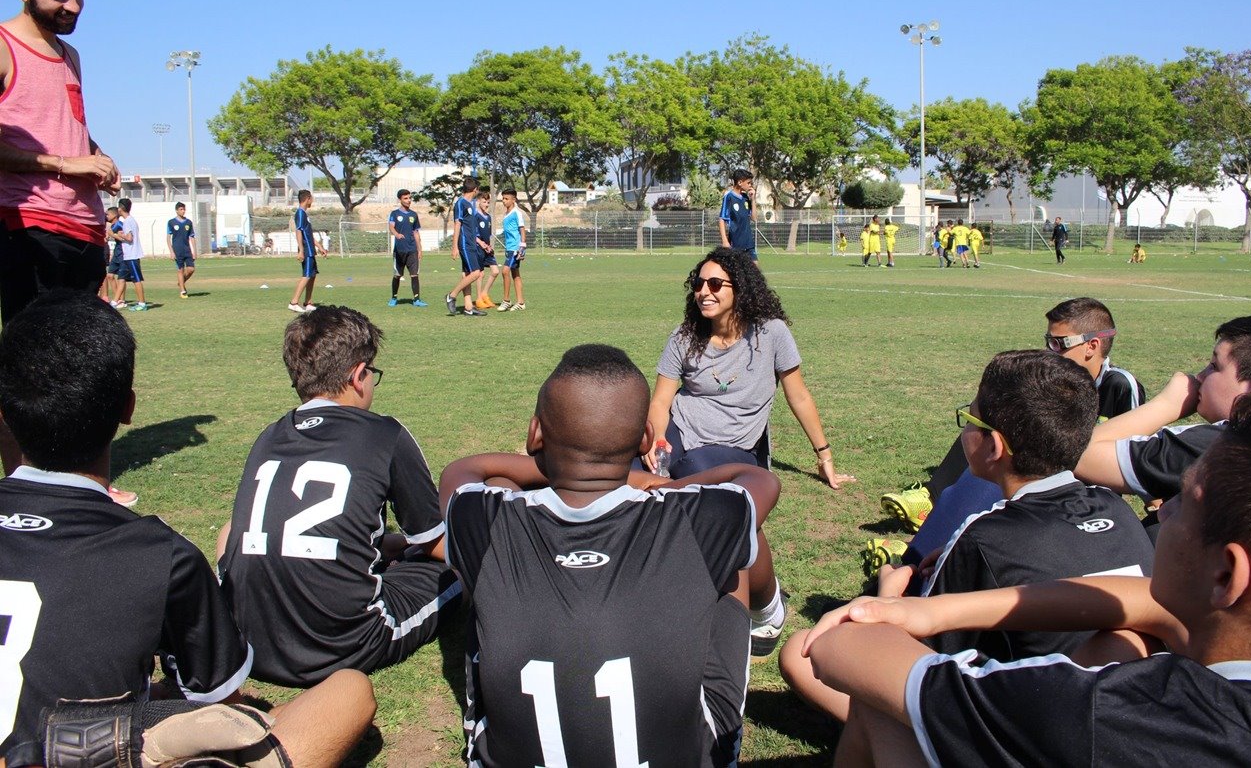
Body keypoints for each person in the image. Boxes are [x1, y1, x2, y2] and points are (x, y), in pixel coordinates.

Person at [803, 390, 1251, 767]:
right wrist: (928, 610)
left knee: (877, 707)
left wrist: (887, 605)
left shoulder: (1112, 715)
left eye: (1182, 501)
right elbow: (1135, 600)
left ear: (1226, 574)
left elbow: (843, 650)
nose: (1161, 507)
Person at [0, 291, 374, 768]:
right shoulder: (160, 554)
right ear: (128, 408)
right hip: (81, 754)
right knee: (349, 690)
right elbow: (219, 699)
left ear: (5, 411)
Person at [439, 344, 783, 765]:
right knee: (733, 549)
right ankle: (768, 618)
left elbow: (462, 471)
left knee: (490, 537)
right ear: (643, 440)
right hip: (688, 755)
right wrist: (657, 486)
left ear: (535, 435)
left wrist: (559, 461)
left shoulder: (483, 518)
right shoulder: (693, 519)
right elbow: (758, 479)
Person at [782, 350, 1153, 725]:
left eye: (969, 418)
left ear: (993, 447)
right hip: (1121, 704)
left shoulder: (984, 537)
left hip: (1033, 722)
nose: (964, 430)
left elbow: (915, 649)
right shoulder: (1115, 507)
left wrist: (888, 592)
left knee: (799, 652)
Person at [217, 305, 461, 688]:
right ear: (359, 376)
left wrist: (388, 545)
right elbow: (434, 542)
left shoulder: (270, 434)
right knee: (456, 571)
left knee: (233, 528)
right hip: (343, 646)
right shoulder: (385, 434)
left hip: (249, 640)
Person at [889, 297, 1146, 565]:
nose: (1050, 351)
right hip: (1041, 473)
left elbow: (1134, 448)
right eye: (1048, 341)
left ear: (1092, 345)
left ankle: (926, 550)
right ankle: (930, 514)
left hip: (1073, 487)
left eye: (1059, 344)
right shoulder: (1051, 381)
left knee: (992, 460)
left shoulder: (1120, 384)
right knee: (982, 430)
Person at [641, 246, 854, 490]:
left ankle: (665, 488)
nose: (704, 292)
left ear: (739, 289)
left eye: (715, 284)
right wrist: (657, 437)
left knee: (692, 467)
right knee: (637, 463)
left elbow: (799, 397)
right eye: (699, 284)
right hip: (680, 427)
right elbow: (660, 402)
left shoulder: (771, 333)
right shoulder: (684, 336)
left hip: (734, 445)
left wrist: (824, 455)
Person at [0, 0, 120, 324]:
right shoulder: (3, 46)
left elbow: (68, 125)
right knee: (36, 367)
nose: (74, 6)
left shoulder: (71, 55)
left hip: (85, 229)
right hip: (30, 228)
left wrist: (97, 157)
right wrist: (68, 164)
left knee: (79, 365)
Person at [1075, 315, 1251, 506]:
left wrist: (1166, 405)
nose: (1200, 376)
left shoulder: (1216, 445)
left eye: (1214, 366)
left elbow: (1077, 453)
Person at [445, 175, 486, 316]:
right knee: (476, 273)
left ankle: (468, 307)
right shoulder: (460, 203)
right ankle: (452, 295)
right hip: (464, 243)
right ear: (475, 189)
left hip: (471, 242)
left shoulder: (470, 204)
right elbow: (457, 224)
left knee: (468, 273)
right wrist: (454, 246)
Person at [387, 188, 427, 308]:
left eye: (409, 198)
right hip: (399, 250)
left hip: (412, 250)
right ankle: (394, 298)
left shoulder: (413, 215)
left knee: (414, 275)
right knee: (397, 275)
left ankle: (417, 299)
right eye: (405, 198)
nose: (409, 200)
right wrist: (397, 234)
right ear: (400, 200)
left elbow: (416, 232)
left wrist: (419, 249)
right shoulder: (395, 214)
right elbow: (391, 227)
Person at [288, 188, 325, 313]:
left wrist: (319, 247)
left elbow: (308, 233)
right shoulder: (300, 213)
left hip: (311, 249)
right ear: (307, 199)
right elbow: (298, 231)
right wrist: (301, 250)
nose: (312, 201)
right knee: (307, 275)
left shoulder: (304, 214)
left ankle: (308, 302)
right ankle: (294, 302)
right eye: (312, 198)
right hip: (306, 249)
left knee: (312, 275)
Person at [112, 196, 146, 312]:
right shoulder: (130, 221)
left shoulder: (128, 222)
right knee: (121, 278)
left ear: (121, 208)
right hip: (127, 256)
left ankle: (142, 303)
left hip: (132, 255)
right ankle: (114, 302)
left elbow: (130, 238)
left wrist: (121, 235)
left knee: (136, 280)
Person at [496, 187, 526, 311]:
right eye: (503, 198)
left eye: (506, 198)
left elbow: (522, 229)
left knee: (505, 271)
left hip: (515, 247)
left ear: (513, 199)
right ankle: (521, 302)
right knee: (515, 274)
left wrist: (522, 246)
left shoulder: (517, 213)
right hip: (509, 247)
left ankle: (506, 300)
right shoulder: (506, 213)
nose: (504, 201)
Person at [718, 167, 757, 260]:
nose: (750, 185)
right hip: (736, 244)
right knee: (737, 273)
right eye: (748, 183)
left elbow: (754, 218)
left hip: (749, 243)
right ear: (740, 183)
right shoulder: (729, 197)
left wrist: (753, 199)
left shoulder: (745, 198)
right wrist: (725, 241)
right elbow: (722, 219)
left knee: (755, 272)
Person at [473, 191, 501, 309]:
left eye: (488, 202)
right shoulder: (475, 216)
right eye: (484, 202)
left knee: (495, 271)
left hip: (487, 249)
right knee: (480, 274)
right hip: (478, 248)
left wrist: (488, 245)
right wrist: (481, 243)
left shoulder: (488, 217)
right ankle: (479, 299)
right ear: (478, 202)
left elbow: (488, 235)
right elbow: (473, 234)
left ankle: (484, 293)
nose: (486, 204)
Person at [167, 201, 196, 298]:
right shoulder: (171, 222)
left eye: (184, 209)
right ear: (176, 210)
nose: (183, 211)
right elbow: (168, 238)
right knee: (180, 270)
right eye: (181, 209)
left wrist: (194, 251)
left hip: (187, 249)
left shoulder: (188, 223)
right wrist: (171, 252)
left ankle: (181, 282)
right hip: (177, 249)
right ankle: (183, 291)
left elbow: (192, 237)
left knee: (191, 269)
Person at [100, 204, 119, 305]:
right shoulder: (104, 220)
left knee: (103, 273)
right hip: (100, 245)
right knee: (102, 273)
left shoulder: (108, 222)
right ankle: (104, 296)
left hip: (103, 246)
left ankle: (105, 296)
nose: (106, 215)